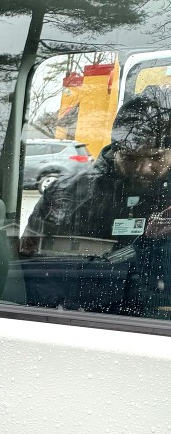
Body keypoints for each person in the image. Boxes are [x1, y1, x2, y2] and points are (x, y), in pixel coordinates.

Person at [23, 88, 171, 315]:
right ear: (115, 151)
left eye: (156, 157)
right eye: (131, 158)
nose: (143, 169)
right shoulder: (67, 196)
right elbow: (33, 269)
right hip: (86, 322)